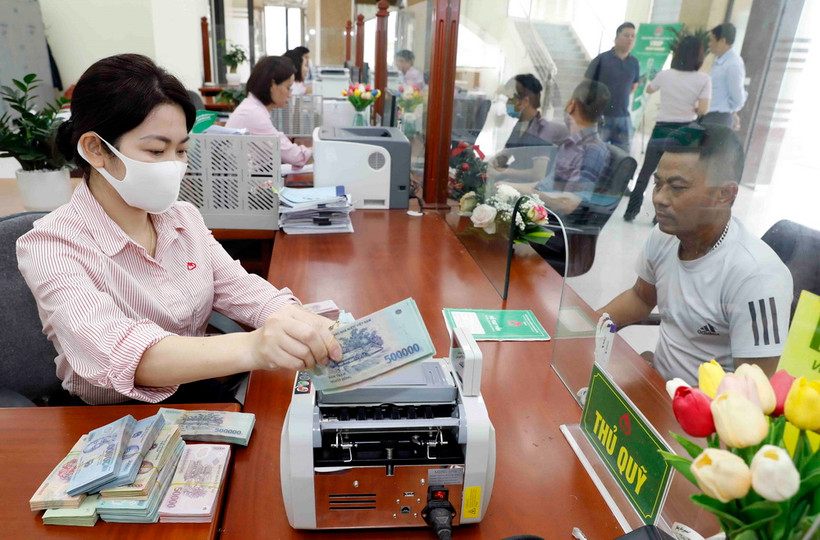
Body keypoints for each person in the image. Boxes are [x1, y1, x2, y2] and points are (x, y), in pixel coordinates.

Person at [16, 54, 341, 405]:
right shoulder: (50, 245)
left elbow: (241, 288)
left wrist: (300, 321)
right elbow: (118, 350)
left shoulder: (183, 218)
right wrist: (254, 347)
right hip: (105, 412)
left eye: (182, 150)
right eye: (156, 150)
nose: (173, 166)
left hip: (191, 388)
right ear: (96, 149)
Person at [597, 124, 792, 385]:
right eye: (658, 184)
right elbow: (641, 298)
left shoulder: (758, 276)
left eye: (677, 187)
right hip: (657, 385)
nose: (660, 199)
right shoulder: (665, 236)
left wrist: (678, 397)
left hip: (703, 407)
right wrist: (584, 327)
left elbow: (753, 390)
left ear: (724, 194)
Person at [624, 36, 711, 222]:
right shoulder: (703, 79)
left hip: (661, 129)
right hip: (685, 133)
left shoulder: (665, 75)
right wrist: (692, 106)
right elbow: (703, 110)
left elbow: (649, 89)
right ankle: (659, 217)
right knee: (675, 177)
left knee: (646, 173)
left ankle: (631, 211)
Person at [499, 80, 611, 218]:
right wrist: (510, 186)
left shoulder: (592, 151)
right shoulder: (571, 144)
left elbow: (569, 204)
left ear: (572, 105)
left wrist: (525, 191)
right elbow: (546, 186)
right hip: (538, 208)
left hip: (551, 221)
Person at [225, 56, 312, 167]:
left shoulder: (253, 107)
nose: (290, 95)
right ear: (272, 85)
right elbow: (296, 157)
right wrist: (320, 148)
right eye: (288, 88)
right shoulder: (254, 114)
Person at [488, 74, 569, 184]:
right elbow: (507, 153)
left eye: (510, 98)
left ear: (525, 101)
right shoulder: (520, 126)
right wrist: (495, 161)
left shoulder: (542, 130)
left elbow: (538, 174)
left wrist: (504, 172)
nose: (507, 103)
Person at [585, 22, 640, 153]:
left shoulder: (634, 63)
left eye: (633, 36)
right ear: (616, 38)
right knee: (595, 154)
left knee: (623, 157)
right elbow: (586, 85)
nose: (630, 39)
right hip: (601, 116)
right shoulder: (602, 59)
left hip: (623, 117)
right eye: (626, 35)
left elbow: (633, 86)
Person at [702, 23, 747, 129]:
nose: (709, 44)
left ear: (722, 41)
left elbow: (737, 98)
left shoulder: (733, 64)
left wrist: (731, 111)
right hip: (709, 115)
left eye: (712, 40)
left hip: (718, 118)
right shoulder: (719, 60)